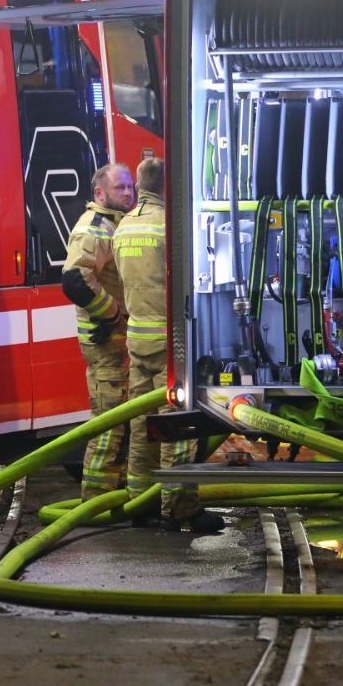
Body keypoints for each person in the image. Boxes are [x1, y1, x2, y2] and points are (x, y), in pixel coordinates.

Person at [114, 157, 224, 533]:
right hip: (168, 341)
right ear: (167, 185)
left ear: (139, 186)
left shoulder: (124, 226)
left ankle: (139, 503)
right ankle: (180, 508)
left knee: (140, 425)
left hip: (137, 339)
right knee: (175, 428)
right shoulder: (169, 227)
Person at [63, 163, 135, 501]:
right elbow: (75, 279)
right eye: (120, 187)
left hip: (118, 342)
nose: (128, 192)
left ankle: (118, 493)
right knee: (109, 423)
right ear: (99, 194)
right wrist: (111, 314)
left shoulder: (117, 224)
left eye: (131, 186)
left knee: (123, 419)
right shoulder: (94, 228)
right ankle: (96, 498)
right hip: (106, 342)